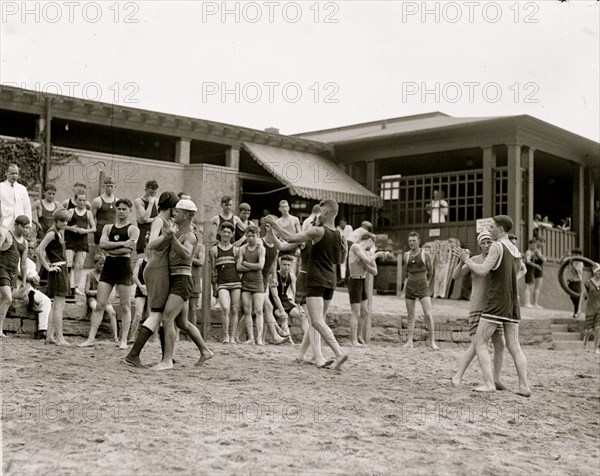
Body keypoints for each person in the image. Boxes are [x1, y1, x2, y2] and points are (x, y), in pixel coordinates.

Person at [265, 199, 349, 371]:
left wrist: (274, 223)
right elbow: (340, 260)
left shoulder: (317, 231)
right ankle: (304, 354)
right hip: (331, 279)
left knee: (317, 321)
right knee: (318, 320)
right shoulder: (340, 235)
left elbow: (289, 237)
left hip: (316, 279)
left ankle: (339, 352)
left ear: (325, 213)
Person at [453, 215, 532, 397]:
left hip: (496, 302)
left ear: (501, 229)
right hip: (512, 302)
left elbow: (482, 270)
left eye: (492, 227)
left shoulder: (497, 246)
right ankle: (524, 386)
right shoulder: (514, 249)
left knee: (479, 342)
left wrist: (465, 258)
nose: (490, 230)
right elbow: (521, 269)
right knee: (515, 346)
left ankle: (489, 383)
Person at [151, 199, 214, 370]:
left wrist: (171, 239)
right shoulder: (179, 232)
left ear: (187, 215)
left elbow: (187, 255)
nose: (174, 213)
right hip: (176, 279)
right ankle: (205, 350)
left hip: (182, 280)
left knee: (167, 318)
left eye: (177, 211)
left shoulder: (190, 236)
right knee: (182, 322)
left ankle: (167, 360)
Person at [78, 199, 139, 348]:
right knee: (100, 304)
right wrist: (121, 244)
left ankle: (123, 340)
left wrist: (113, 248)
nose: (121, 211)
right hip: (109, 265)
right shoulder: (107, 227)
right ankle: (91, 338)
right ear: (115, 210)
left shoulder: (133, 229)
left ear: (130, 210)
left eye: (125, 209)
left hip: (123, 266)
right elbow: (103, 245)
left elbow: (129, 250)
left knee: (125, 305)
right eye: (119, 209)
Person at [451, 231, 506, 388]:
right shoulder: (474, 259)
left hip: (494, 307)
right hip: (478, 306)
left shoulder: (496, 259)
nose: (487, 245)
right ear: (479, 244)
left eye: (489, 241)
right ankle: (458, 376)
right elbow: (455, 276)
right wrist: (462, 260)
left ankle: (496, 379)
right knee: (477, 343)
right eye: (483, 242)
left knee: (499, 343)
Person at [37, 209, 71, 345]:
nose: (64, 223)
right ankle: (59, 337)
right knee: (59, 306)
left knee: (56, 305)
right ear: (55, 221)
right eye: (62, 221)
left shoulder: (57, 231)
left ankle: (50, 336)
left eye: (66, 221)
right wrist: (48, 267)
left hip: (61, 268)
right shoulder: (52, 233)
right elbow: (39, 249)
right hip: (57, 270)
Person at [401, 231, 439, 350]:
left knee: (427, 314)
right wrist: (406, 286)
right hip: (410, 286)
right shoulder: (406, 255)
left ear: (419, 241)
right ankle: (409, 341)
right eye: (410, 241)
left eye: (414, 241)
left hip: (422, 286)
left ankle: (432, 342)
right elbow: (405, 272)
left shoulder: (425, 254)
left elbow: (431, 271)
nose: (411, 243)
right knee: (410, 315)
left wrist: (425, 282)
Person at [347, 232, 387, 346]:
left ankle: (359, 336)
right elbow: (369, 260)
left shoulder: (368, 252)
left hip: (362, 280)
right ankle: (353, 340)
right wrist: (377, 255)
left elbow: (374, 272)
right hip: (354, 281)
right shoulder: (355, 247)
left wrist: (366, 265)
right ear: (369, 240)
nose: (372, 246)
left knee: (364, 311)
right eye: (373, 243)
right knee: (356, 312)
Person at [210, 222, 242, 344]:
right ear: (220, 232)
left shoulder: (236, 250)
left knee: (234, 309)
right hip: (222, 283)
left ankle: (232, 336)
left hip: (235, 283)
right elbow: (213, 270)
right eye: (224, 232)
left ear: (232, 234)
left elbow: (239, 269)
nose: (226, 234)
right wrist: (214, 286)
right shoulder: (214, 250)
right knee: (225, 308)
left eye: (229, 232)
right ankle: (225, 336)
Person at [0, 215, 29, 337]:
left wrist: (24, 280)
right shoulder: (7, 235)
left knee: (3, 299)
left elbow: (23, 263)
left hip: (13, 273)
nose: (26, 231)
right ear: (17, 225)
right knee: (8, 298)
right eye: (24, 228)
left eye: (28, 228)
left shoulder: (25, 242)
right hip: (2, 269)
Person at [237, 224, 266, 345]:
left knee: (259, 310)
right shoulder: (242, 249)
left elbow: (260, 266)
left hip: (258, 282)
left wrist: (245, 263)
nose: (250, 238)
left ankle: (259, 338)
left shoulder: (261, 249)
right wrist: (251, 267)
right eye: (248, 236)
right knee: (247, 310)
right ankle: (251, 338)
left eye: (253, 236)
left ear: (257, 236)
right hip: (246, 282)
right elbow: (238, 267)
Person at [64, 192, 95, 296]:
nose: (81, 202)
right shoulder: (71, 211)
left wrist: (85, 231)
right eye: (80, 200)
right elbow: (62, 225)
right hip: (71, 240)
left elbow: (94, 228)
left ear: (86, 202)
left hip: (82, 240)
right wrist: (71, 228)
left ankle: (76, 287)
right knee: (68, 264)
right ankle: (67, 286)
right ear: (75, 201)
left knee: (79, 265)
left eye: (83, 200)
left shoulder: (88, 213)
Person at [84, 254, 118, 343]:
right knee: (96, 308)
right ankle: (92, 336)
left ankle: (116, 337)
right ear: (95, 264)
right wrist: (99, 292)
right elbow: (87, 291)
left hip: (103, 298)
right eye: (100, 264)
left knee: (112, 312)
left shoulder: (106, 274)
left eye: (103, 264)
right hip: (92, 298)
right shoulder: (90, 274)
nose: (102, 266)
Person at [0, 164, 32, 229]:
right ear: (6, 173)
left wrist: (29, 225)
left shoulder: (22, 189)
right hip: (4, 224)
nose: (14, 176)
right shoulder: (1, 187)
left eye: (16, 173)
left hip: (20, 225)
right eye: (12, 173)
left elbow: (27, 208)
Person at [579, 263, 600, 353]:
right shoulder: (588, 282)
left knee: (598, 328)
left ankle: (596, 348)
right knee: (589, 330)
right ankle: (585, 340)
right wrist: (579, 309)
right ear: (595, 272)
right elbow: (583, 296)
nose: (599, 273)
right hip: (590, 308)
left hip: (599, 308)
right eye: (598, 271)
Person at [129, 245, 149, 342]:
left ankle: (150, 338)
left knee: (150, 315)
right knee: (138, 314)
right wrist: (141, 286)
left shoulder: (157, 262)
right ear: (145, 249)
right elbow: (134, 276)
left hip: (152, 290)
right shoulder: (140, 261)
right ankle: (132, 336)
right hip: (141, 289)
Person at [91, 176, 118, 246]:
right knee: (100, 255)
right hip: (101, 231)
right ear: (103, 186)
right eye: (107, 186)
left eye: (112, 186)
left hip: (113, 231)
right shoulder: (97, 201)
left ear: (115, 187)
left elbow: (119, 217)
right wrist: (95, 231)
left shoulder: (118, 201)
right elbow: (91, 218)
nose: (109, 188)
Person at [134, 180, 159, 255]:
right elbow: (145, 218)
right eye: (151, 193)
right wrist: (151, 203)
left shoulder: (157, 200)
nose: (153, 195)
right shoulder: (139, 201)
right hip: (143, 232)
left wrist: (150, 220)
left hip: (154, 231)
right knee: (142, 259)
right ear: (146, 190)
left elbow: (143, 220)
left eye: (155, 193)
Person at [524, 238, 546, 308]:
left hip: (531, 270)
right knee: (528, 286)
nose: (534, 247)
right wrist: (536, 265)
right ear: (529, 245)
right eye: (533, 245)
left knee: (530, 286)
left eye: (535, 245)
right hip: (529, 270)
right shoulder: (528, 252)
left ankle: (529, 302)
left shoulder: (532, 252)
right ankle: (526, 303)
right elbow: (527, 261)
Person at [562, 248, 584, 318]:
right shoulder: (570, 260)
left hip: (576, 281)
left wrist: (571, 264)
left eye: (575, 254)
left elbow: (576, 272)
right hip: (570, 281)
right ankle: (576, 311)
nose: (573, 255)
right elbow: (561, 262)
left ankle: (577, 312)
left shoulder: (580, 262)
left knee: (576, 297)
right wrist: (565, 256)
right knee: (572, 297)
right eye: (573, 254)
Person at [336, 217, 353, 284]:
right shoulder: (338, 228)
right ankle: (342, 278)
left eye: (343, 222)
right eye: (340, 223)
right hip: (341, 246)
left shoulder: (349, 227)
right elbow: (338, 237)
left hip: (349, 246)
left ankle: (349, 277)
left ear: (346, 222)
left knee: (350, 262)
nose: (341, 224)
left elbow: (350, 238)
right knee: (342, 262)